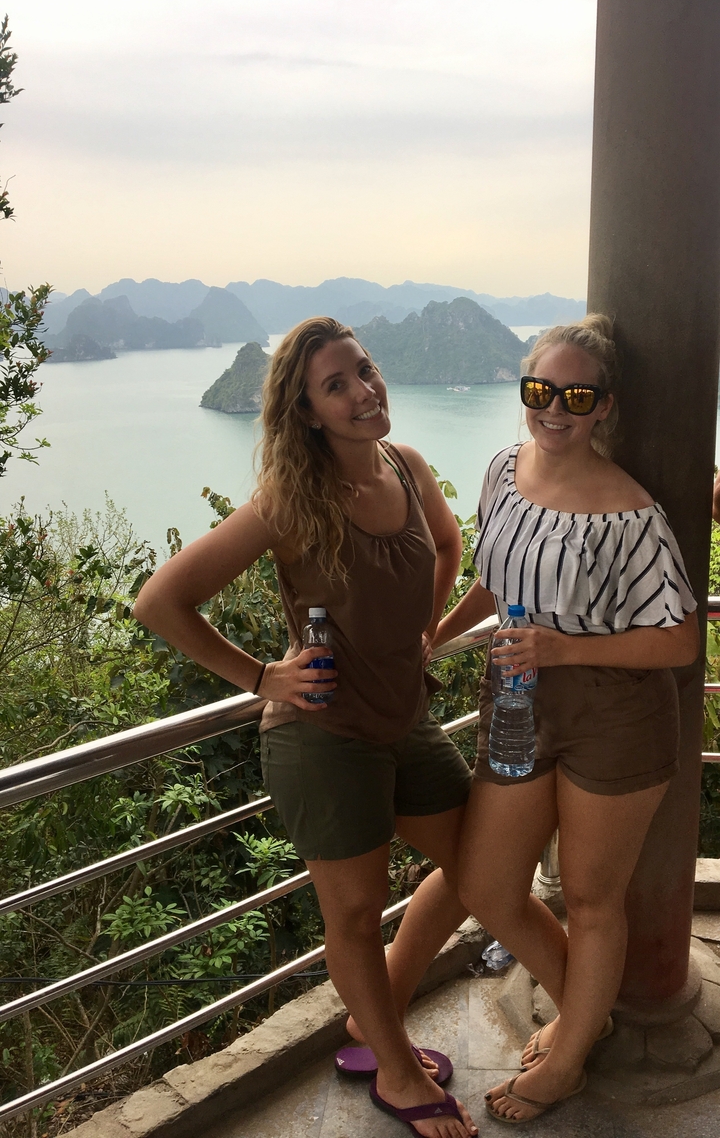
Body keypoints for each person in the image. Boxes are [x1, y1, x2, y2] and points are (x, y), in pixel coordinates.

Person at [133, 317, 478, 1138]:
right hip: (320, 736)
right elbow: (160, 601)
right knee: (355, 915)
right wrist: (262, 676)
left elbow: (447, 545)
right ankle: (395, 1071)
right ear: (310, 412)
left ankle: (376, 1013)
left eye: (365, 369)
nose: (364, 391)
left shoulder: (408, 465)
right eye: (337, 385)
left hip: (404, 717)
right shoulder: (294, 497)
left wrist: (418, 632)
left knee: (480, 868)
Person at [433, 314, 699, 1124]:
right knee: (487, 879)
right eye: (541, 389)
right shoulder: (501, 473)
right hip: (516, 697)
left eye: (575, 395)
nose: (555, 408)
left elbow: (681, 638)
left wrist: (563, 646)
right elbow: (492, 575)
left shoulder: (629, 512)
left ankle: (573, 1050)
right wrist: (436, 638)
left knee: (590, 896)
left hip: (615, 714)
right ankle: (583, 1007)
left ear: (603, 407)